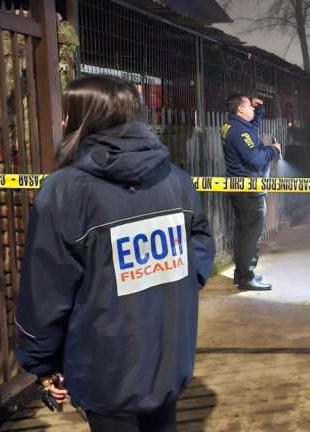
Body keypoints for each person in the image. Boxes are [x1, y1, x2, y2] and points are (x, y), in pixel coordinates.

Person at [14, 75, 215, 432]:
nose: (61, 121)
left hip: (104, 368)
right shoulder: (175, 179)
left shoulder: (64, 192)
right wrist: (179, 285)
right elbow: (201, 243)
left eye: (67, 111)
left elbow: (45, 291)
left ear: (83, 117)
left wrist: (42, 362)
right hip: (168, 357)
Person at [222, 94, 281, 291]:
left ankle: (242, 274)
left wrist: (260, 111)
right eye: (250, 106)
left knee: (242, 233)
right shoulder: (239, 131)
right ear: (240, 109)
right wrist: (274, 149)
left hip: (239, 188)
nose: (253, 109)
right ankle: (246, 278)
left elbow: (249, 132)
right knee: (251, 236)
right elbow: (254, 156)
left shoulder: (233, 126)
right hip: (250, 190)